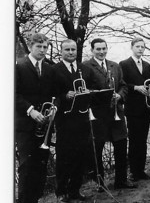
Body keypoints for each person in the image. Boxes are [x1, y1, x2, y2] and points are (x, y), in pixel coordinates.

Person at [83, 38, 136, 190]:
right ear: (92, 50)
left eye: (103, 49)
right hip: (98, 114)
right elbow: (85, 90)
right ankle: (100, 183)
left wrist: (120, 95)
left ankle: (121, 181)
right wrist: (99, 94)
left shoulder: (115, 66)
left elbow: (123, 86)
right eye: (98, 49)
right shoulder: (86, 66)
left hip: (116, 112)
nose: (101, 52)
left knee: (121, 145)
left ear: (107, 49)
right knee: (97, 149)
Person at [52, 39, 99, 202]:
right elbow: (52, 95)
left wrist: (89, 91)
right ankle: (61, 192)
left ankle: (75, 190)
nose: (71, 52)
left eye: (73, 49)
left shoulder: (85, 69)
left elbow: (95, 89)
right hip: (64, 120)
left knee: (80, 156)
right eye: (67, 50)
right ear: (61, 51)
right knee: (64, 157)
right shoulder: (54, 70)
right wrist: (65, 95)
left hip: (83, 118)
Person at [15, 33, 55, 203]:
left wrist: (54, 107)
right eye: (39, 46)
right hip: (25, 125)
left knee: (41, 166)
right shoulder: (18, 66)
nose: (42, 50)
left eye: (45, 47)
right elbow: (12, 93)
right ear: (30, 46)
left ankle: (36, 199)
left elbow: (55, 94)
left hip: (44, 125)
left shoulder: (49, 68)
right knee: (26, 167)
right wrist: (30, 110)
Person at [119, 38, 150, 181]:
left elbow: (149, 82)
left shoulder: (146, 65)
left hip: (145, 107)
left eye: (143, 47)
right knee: (134, 140)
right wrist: (136, 87)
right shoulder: (124, 64)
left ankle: (141, 170)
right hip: (133, 108)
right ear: (132, 47)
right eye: (138, 46)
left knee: (143, 140)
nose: (140, 49)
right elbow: (123, 83)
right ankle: (133, 171)